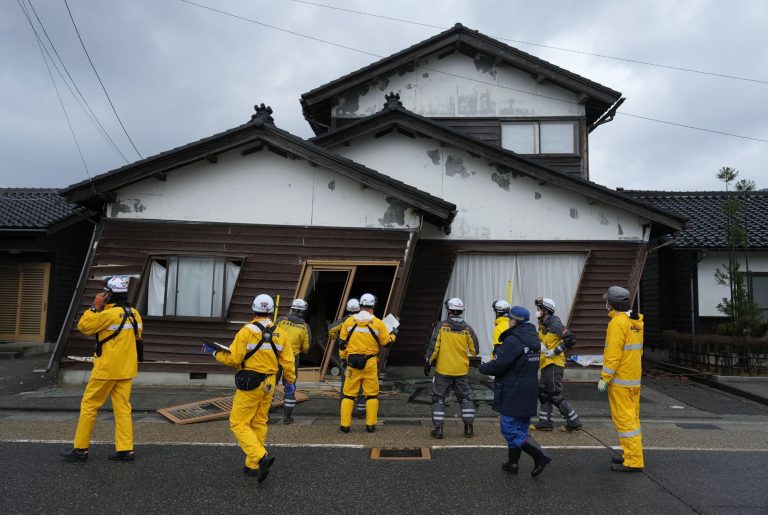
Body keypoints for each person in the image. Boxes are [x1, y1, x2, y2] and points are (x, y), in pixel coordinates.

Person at [202, 294, 296, 482]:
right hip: (270, 382)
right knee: (260, 422)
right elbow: (288, 361)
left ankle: (260, 456)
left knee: (238, 422)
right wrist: (290, 381)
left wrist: (215, 353)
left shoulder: (246, 331)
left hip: (251, 382)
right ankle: (252, 465)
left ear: (253, 310)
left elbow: (234, 359)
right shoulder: (280, 332)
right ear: (270, 311)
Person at [60, 275, 143, 462]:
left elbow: (84, 326)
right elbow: (137, 339)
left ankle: (80, 449)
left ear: (109, 294)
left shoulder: (106, 314)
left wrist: (94, 306)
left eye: (105, 291)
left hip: (106, 369)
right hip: (127, 369)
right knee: (123, 409)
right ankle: (125, 450)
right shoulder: (135, 314)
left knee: (89, 405)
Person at [479, 306, 551, 477]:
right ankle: (513, 463)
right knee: (521, 427)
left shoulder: (514, 340)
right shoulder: (533, 338)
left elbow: (499, 365)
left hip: (514, 388)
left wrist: (481, 367)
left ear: (513, 321)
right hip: (529, 388)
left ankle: (539, 455)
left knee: (509, 428)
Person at [598, 286, 645, 473]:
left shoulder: (617, 323)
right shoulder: (635, 321)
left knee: (625, 422)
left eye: (607, 300)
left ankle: (633, 461)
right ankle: (629, 454)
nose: (606, 303)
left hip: (620, 381)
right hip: (633, 379)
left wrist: (605, 378)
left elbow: (613, 354)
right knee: (632, 420)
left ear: (613, 303)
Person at [338, 293, 395, 433]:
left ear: (361, 305)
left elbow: (341, 344)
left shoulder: (349, 322)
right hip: (370, 363)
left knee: (349, 395)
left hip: (352, 363)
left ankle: (345, 425)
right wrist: (394, 335)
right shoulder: (378, 323)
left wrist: (343, 358)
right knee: (371, 395)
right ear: (373, 306)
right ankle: (370, 425)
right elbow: (386, 343)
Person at [424, 297, 479, 439]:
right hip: (461, 370)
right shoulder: (468, 329)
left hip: (443, 370)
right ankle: (468, 429)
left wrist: (428, 362)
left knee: (439, 399)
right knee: (465, 398)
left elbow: (434, 347)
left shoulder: (442, 326)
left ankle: (439, 430)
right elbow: (475, 350)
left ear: (449, 310)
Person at [530, 297, 582, 432]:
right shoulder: (543, 324)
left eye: (539, 309)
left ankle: (574, 422)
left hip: (554, 363)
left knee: (554, 394)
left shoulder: (555, 324)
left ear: (546, 311)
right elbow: (543, 340)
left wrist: (557, 350)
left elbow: (571, 339)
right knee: (543, 393)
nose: (537, 311)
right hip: (545, 363)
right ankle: (545, 423)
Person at [275, 298, 311, 424]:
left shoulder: (281, 320)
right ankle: (287, 417)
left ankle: (264, 412)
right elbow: (306, 348)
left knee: (270, 384)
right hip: (291, 359)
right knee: (289, 386)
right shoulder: (304, 327)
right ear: (303, 311)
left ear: (292, 308)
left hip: (275, 356)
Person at [328, 299, 365, 412]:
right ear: (359, 308)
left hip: (347, 357)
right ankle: (361, 409)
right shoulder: (365, 320)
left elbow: (331, 329)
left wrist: (338, 339)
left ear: (347, 308)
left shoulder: (344, 321)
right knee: (362, 382)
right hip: (363, 356)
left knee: (346, 383)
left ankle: (344, 410)